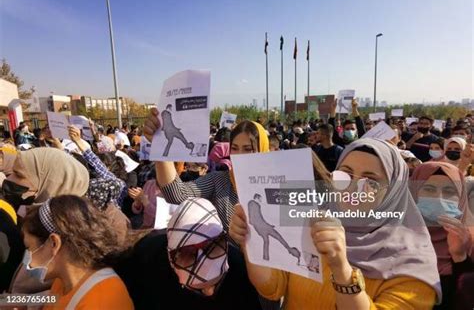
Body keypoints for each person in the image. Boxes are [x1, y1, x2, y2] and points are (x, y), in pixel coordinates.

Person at [230, 138, 441, 309]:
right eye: (345, 174)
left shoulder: (413, 265)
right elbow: (272, 288)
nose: (352, 187)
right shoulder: (314, 223)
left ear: (394, 191)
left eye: (370, 181)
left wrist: (341, 269)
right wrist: (251, 238)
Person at [115, 198, 262, 310]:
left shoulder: (240, 269)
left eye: (218, 283)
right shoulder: (145, 258)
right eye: (197, 289)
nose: (209, 292)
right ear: (171, 260)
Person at [22, 195, 133, 310]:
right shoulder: (68, 278)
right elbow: (54, 298)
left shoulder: (100, 303)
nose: (26, 257)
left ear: (54, 243)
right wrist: (12, 301)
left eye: (29, 247)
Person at [410, 162, 474, 309]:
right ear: (414, 192)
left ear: (461, 197)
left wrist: (460, 258)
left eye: (449, 191)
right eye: (429, 189)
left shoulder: (469, 240)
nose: (439, 198)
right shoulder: (391, 237)